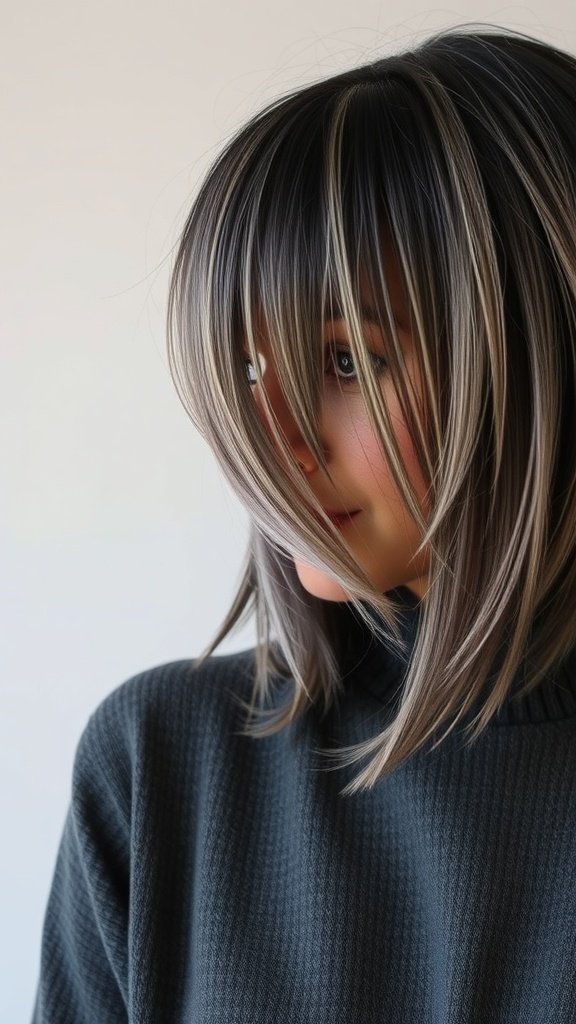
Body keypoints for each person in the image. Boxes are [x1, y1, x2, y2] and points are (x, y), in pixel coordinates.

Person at [31, 22, 576, 1023]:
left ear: (544, 355)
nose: (268, 439)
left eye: (343, 361)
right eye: (247, 369)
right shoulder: (159, 772)